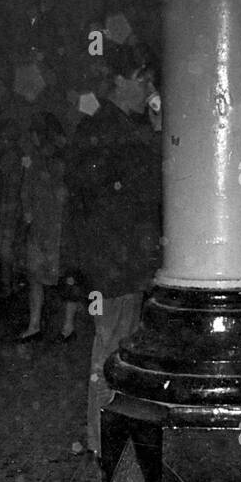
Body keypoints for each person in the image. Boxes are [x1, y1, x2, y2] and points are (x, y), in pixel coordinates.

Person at [63, 42, 162, 456]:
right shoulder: (111, 131)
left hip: (113, 264)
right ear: (122, 81)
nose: (150, 88)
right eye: (144, 79)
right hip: (114, 267)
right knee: (112, 351)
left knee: (113, 348)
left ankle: (105, 435)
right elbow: (142, 191)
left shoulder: (107, 128)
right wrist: (158, 132)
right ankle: (104, 440)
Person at [18, 111, 78, 342]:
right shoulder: (40, 159)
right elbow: (28, 194)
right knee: (51, 278)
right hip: (52, 229)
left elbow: (28, 196)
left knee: (52, 278)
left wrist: (30, 218)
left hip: (53, 229)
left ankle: (50, 326)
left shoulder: (51, 159)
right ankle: (63, 327)